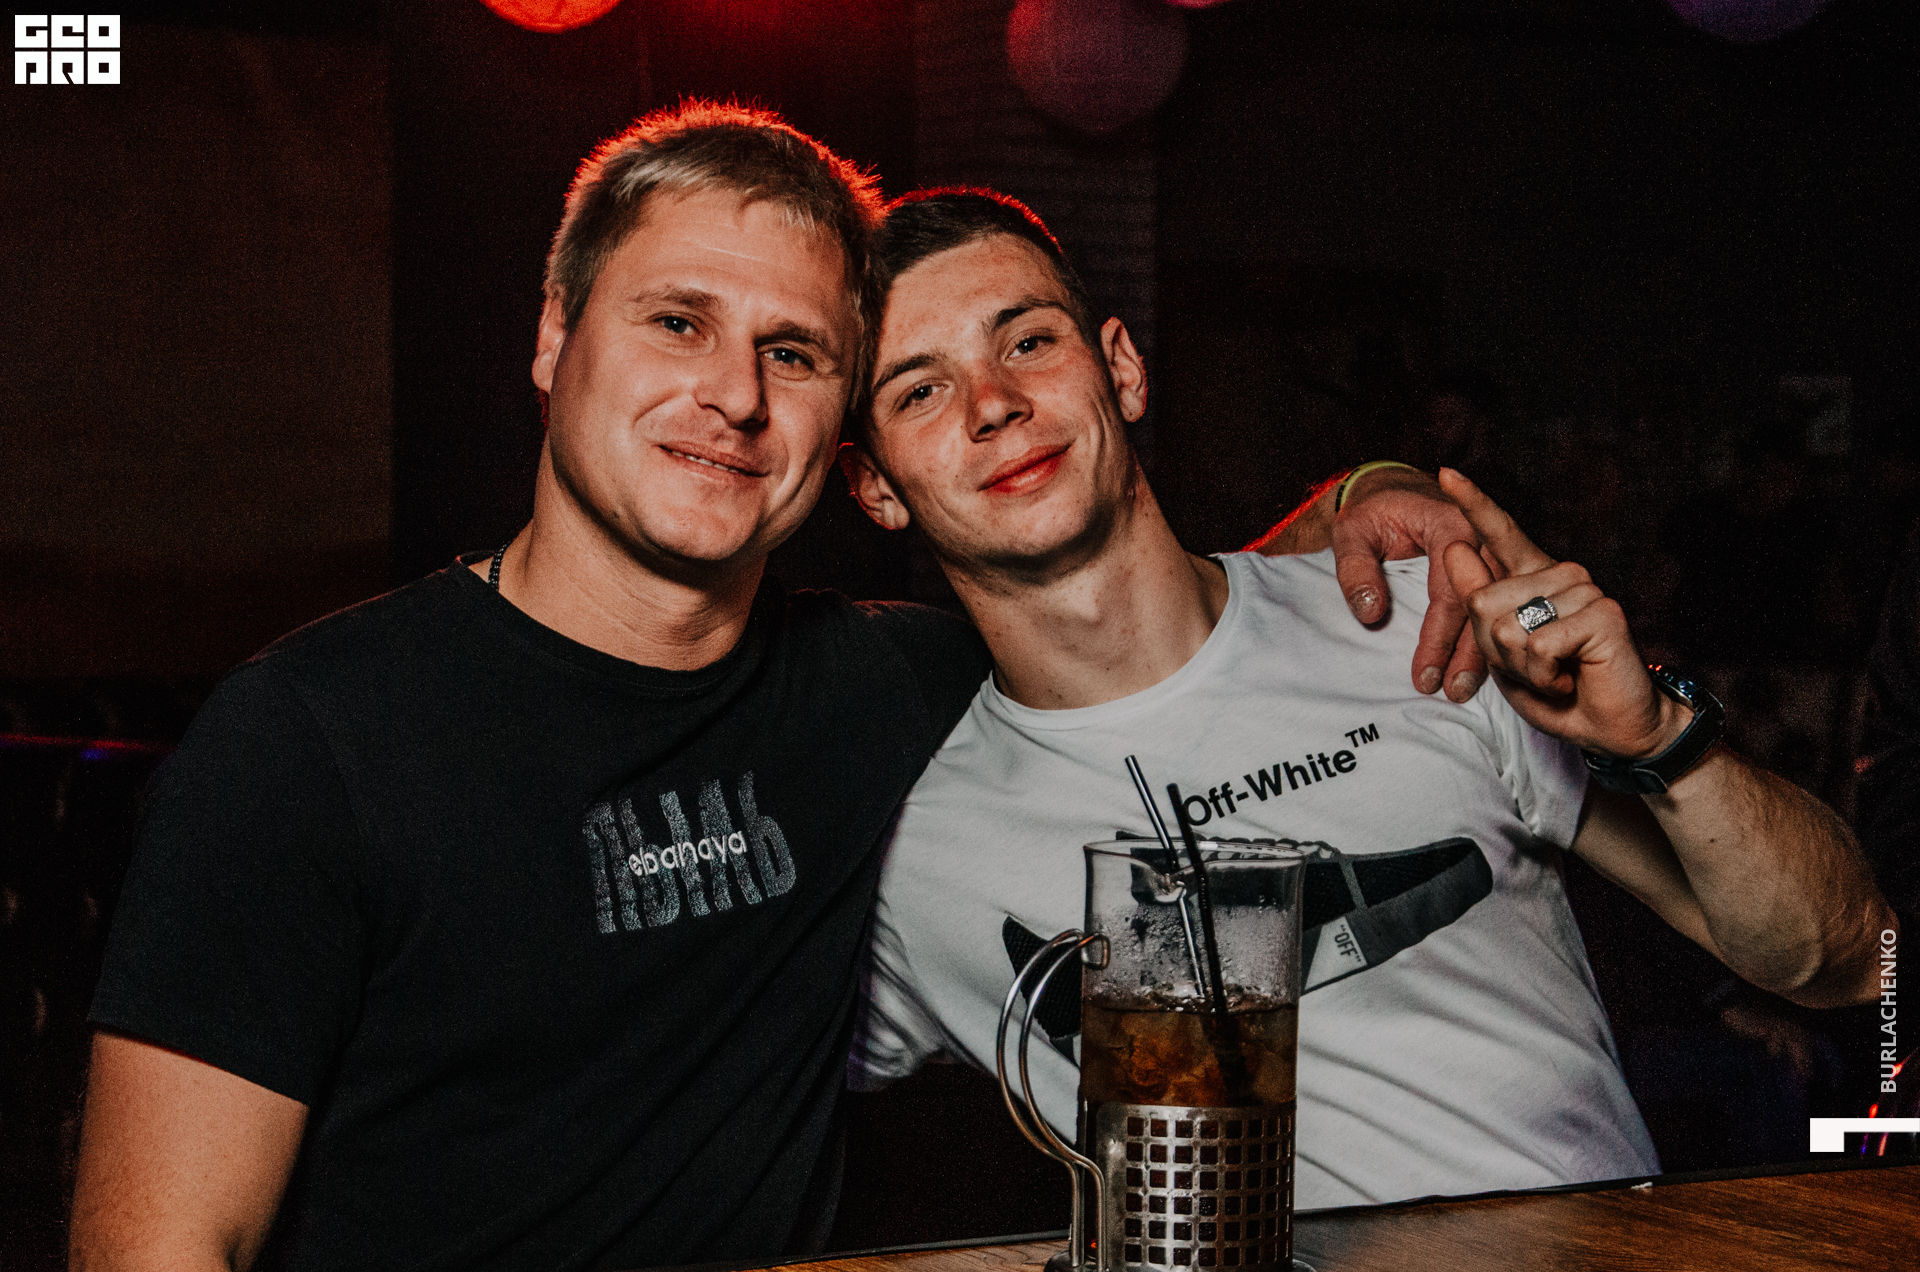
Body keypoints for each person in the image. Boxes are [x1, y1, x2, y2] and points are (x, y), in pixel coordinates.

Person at [69, 107, 1479, 1271]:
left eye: (793, 355)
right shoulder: (309, 740)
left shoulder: (888, 685)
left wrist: (1369, 496)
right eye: (678, 323)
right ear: (554, 339)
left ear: (841, 436)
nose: (736, 397)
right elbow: (160, 1245)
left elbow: (1138, 600)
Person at [840, 189, 1896, 1210]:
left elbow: (1849, 962)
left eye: (1028, 341)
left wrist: (1666, 743)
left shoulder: (1421, 623)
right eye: (918, 391)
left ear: (1121, 368)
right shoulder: (914, 856)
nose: (993, 403)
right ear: (875, 486)